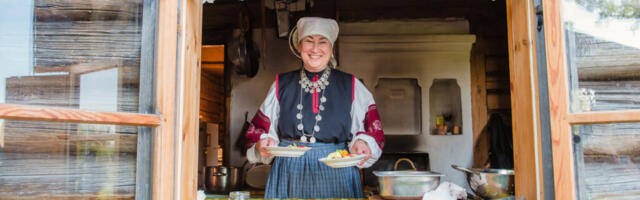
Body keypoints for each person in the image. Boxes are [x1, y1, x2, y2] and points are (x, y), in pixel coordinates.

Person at [244, 17, 385, 198]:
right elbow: (260, 129)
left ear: (331, 48)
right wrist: (263, 143)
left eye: (322, 42)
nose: (315, 49)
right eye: (308, 41)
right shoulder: (281, 85)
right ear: (299, 47)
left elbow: (372, 130)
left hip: (336, 171)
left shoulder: (352, 85)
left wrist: (363, 143)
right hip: (289, 172)